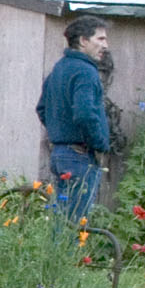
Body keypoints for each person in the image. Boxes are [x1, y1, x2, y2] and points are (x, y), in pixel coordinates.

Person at [38, 15, 116, 216]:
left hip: (60, 155)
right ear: (83, 41)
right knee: (74, 226)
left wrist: (59, 133)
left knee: (61, 223)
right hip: (79, 157)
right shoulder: (85, 71)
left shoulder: (60, 67)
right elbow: (84, 113)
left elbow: (42, 108)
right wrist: (99, 143)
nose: (105, 45)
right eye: (100, 39)